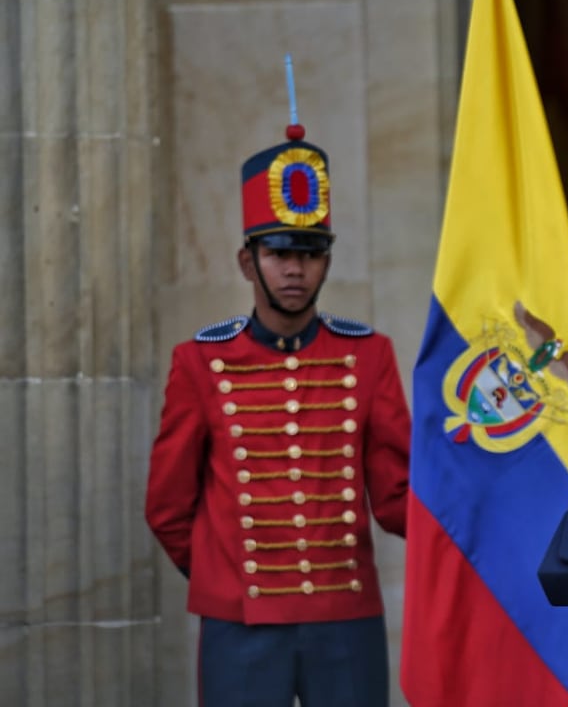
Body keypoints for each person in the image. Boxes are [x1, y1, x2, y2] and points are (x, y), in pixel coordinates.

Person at [145, 116, 410, 707]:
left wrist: (476, 499)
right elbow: (166, 505)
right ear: (248, 262)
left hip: (346, 619)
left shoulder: (368, 355)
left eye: (311, 254)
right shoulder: (197, 361)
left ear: (327, 261)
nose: (296, 270)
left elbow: (398, 498)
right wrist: (225, 577)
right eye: (280, 253)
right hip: (239, 625)